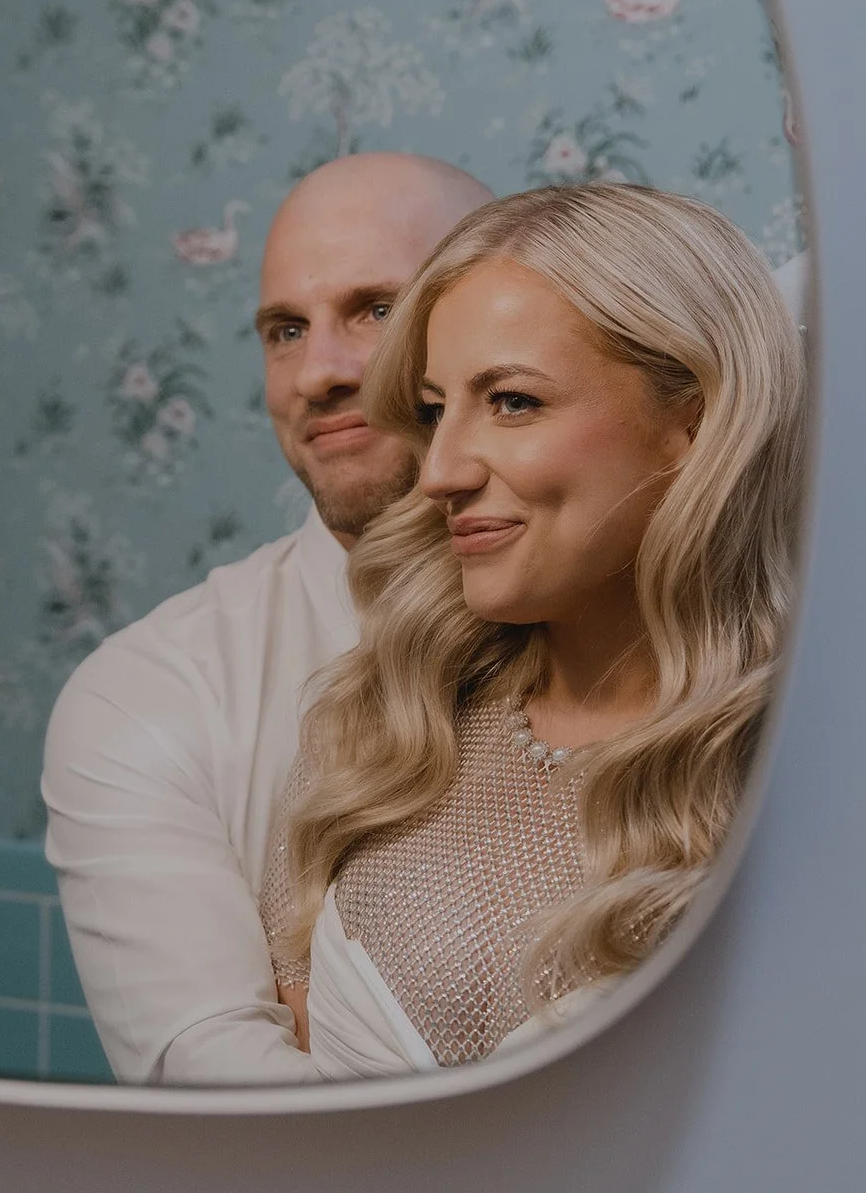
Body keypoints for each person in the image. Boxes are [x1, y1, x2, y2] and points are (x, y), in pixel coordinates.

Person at [258, 183, 806, 1078]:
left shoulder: (802, 758)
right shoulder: (379, 737)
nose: (438, 471)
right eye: (434, 411)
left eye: (511, 401)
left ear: (693, 422)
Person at [41, 152, 493, 1084]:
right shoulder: (151, 694)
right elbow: (228, 1104)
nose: (317, 374)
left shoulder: (648, 638)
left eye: (374, 309)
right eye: (284, 330)